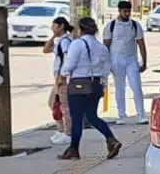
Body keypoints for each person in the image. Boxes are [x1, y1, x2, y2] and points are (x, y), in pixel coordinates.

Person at [59, 16, 121, 161]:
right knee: (92, 116)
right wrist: (103, 86)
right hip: (96, 85)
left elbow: (69, 65)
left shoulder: (77, 44)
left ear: (80, 30)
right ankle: (111, 139)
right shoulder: (101, 47)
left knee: (77, 118)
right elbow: (106, 69)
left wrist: (62, 75)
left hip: (78, 85)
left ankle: (74, 149)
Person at [102, 1, 148, 124]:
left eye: (128, 11)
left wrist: (144, 61)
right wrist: (106, 64)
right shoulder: (111, 26)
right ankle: (122, 115)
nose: (127, 14)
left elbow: (141, 44)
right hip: (116, 60)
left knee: (136, 87)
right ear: (119, 11)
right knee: (119, 88)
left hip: (131, 59)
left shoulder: (135, 25)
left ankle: (141, 114)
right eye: (124, 11)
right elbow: (105, 46)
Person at [44, 16, 73, 146]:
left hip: (63, 78)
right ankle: (61, 129)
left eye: (55, 26)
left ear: (61, 26)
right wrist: (53, 36)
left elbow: (67, 59)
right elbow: (45, 50)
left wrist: (62, 76)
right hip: (57, 77)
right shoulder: (59, 41)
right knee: (52, 103)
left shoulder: (65, 41)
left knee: (64, 106)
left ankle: (68, 133)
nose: (52, 28)